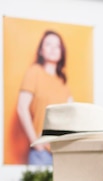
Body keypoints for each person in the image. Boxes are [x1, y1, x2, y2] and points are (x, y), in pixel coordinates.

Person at [17, 29, 73, 165]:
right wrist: (36, 143)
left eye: (57, 46)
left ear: (62, 52)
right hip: (42, 154)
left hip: (63, 154)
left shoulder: (63, 82)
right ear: (41, 50)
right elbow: (21, 108)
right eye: (48, 44)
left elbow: (72, 116)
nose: (53, 49)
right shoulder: (34, 72)